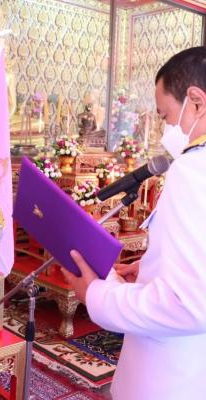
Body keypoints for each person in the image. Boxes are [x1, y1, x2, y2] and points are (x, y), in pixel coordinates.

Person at [62, 46, 206, 400]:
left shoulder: (193, 170)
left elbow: (187, 305)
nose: (167, 128)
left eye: (166, 116)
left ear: (196, 102)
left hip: (173, 373)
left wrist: (96, 294)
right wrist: (153, 266)